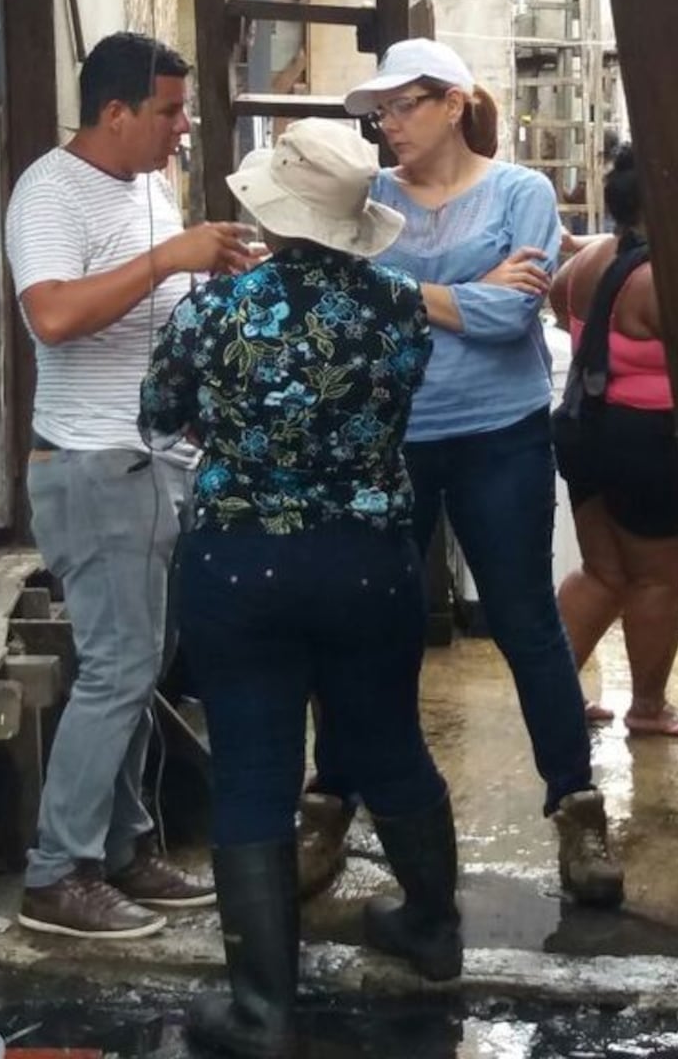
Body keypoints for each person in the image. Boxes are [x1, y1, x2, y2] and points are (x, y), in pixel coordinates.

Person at [140, 119, 459, 1059]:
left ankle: (262, 1013)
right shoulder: (401, 307)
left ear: (271, 213)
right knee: (389, 738)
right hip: (369, 560)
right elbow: (396, 401)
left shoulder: (215, 311)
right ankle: (432, 929)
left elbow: (159, 412)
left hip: (241, 562)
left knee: (253, 768)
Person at [301, 38, 623, 909]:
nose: (388, 125)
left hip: (499, 434)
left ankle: (577, 805)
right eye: (379, 113)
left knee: (525, 622)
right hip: (389, 436)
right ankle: (330, 797)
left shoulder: (520, 190)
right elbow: (344, 305)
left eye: (402, 106)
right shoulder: (366, 196)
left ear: (450, 103)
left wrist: (401, 289)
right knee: (370, 624)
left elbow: (510, 312)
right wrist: (460, 287)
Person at [5, 31, 253, 941]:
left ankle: (121, 848)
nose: (182, 129)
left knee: (139, 666)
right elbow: (56, 316)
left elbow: (161, 305)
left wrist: (213, 271)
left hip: (158, 460)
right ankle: (56, 872)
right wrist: (164, 261)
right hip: (94, 462)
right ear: (116, 113)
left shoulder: (147, 181)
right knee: (116, 669)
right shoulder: (49, 192)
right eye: (169, 112)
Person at [550, 143, 678, 739]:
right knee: (659, 580)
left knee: (603, 573)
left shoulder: (592, 258)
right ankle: (648, 708)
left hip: (586, 434)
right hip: (648, 447)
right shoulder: (663, 279)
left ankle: (553, 697)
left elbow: (557, 295)